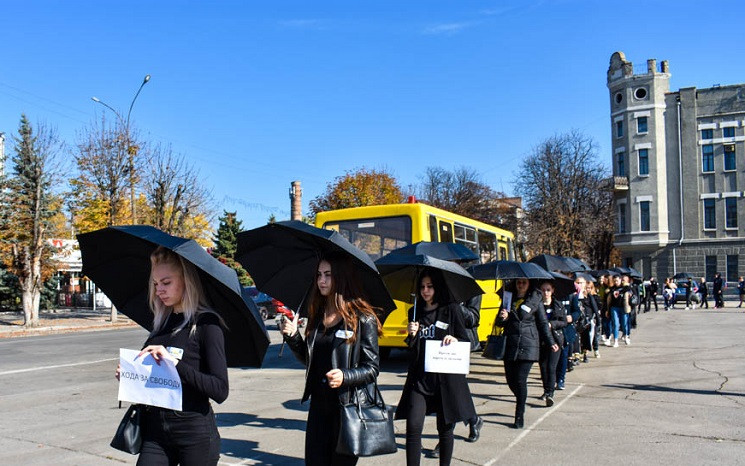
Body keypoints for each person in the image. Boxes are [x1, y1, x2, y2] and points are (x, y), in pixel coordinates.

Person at [115, 246, 229, 466]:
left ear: (187, 281)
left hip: (194, 434)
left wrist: (175, 363)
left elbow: (220, 390)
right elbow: (155, 379)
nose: (159, 290)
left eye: (166, 283)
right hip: (156, 432)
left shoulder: (206, 323)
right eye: (156, 284)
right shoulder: (161, 323)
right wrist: (131, 376)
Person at [280, 253, 382, 466]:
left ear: (341, 277)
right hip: (319, 407)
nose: (321, 281)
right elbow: (310, 361)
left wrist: (345, 375)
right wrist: (293, 337)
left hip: (346, 410)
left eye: (328, 275)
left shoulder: (363, 318)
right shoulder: (317, 316)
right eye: (318, 275)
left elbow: (372, 368)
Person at [395, 268, 475, 466]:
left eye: (429, 286)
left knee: (445, 429)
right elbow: (413, 350)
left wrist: (454, 339)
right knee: (413, 427)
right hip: (420, 379)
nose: (425, 291)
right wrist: (411, 334)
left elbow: (467, 341)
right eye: (422, 287)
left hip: (445, 380)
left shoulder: (451, 309)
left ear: (437, 287)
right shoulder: (414, 311)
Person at [495, 278, 558, 429]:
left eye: (524, 282)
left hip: (528, 343)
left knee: (520, 380)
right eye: (518, 283)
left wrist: (551, 342)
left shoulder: (535, 299)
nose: (521, 285)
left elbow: (543, 323)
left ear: (529, 284)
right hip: (510, 343)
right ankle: (521, 400)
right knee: (511, 380)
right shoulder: (508, 298)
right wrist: (502, 317)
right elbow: (499, 322)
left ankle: (519, 414)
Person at [537, 281, 566, 407]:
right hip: (541, 339)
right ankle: (546, 389)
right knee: (543, 367)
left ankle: (550, 393)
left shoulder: (558, 305)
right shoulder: (537, 305)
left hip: (555, 339)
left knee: (551, 367)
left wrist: (552, 324)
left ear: (552, 290)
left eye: (548, 290)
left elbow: (564, 321)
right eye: (543, 290)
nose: (546, 293)